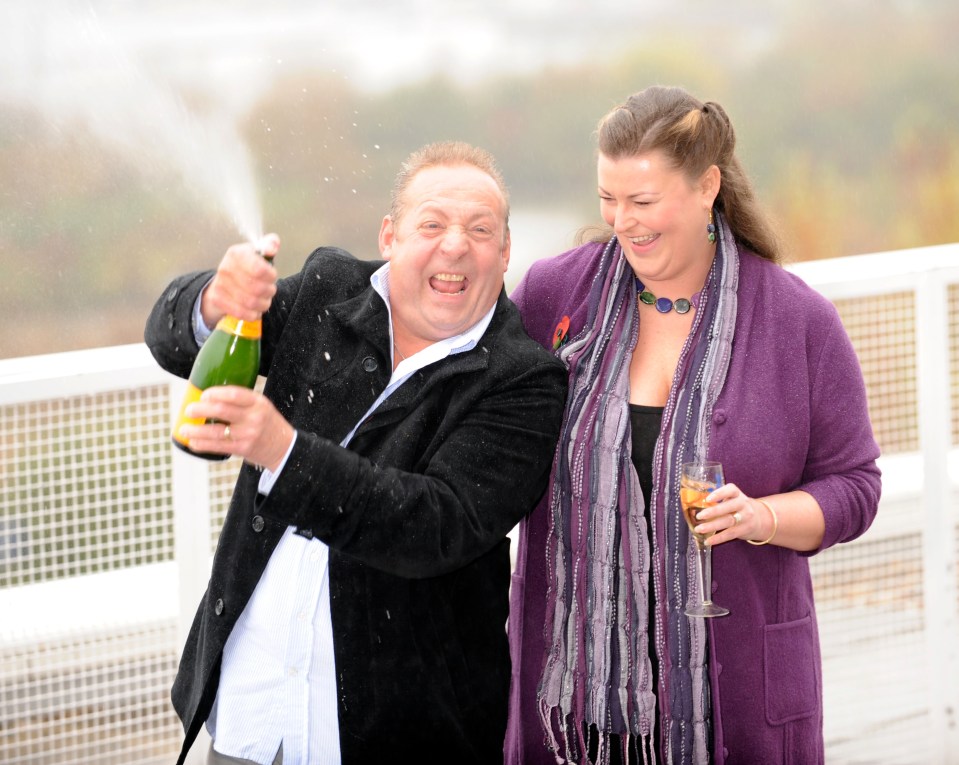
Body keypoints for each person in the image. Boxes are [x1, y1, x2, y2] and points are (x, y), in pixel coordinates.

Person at [145, 141, 568, 765]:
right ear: (390, 235)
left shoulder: (522, 379)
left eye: (480, 230)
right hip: (250, 715)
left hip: (400, 732)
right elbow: (172, 341)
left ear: (505, 252)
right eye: (432, 224)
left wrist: (283, 452)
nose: (455, 245)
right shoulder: (327, 291)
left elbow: (433, 525)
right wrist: (215, 300)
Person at [504, 86, 882, 765]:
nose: (622, 222)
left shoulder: (797, 322)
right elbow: (454, 360)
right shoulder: (551, 295)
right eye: (607, 199)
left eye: (642, 202)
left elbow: (854, 486)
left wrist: (761, 516)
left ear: (707, 184)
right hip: (570, 713)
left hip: (732, 712)